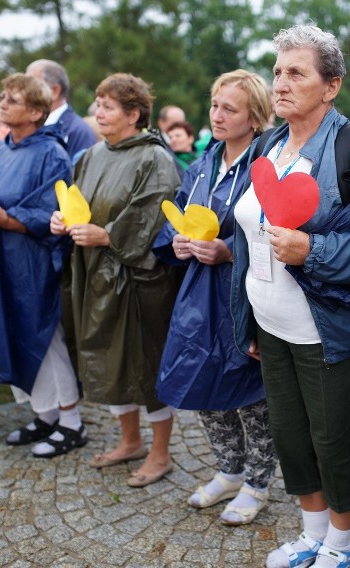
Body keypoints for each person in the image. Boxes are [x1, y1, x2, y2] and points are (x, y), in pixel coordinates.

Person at [231, 25, 350, 568]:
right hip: (271, 322)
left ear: (330, 86)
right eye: (278, 71)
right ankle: (310, 536)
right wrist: (247, 325)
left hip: (327, 326)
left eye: (296, 73)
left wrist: (314, 249)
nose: (280, 83)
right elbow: (246, 239)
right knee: (290, 436)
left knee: (333, 442)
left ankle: (340, 545)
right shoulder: (267, 144)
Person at [153, 70, 277, 524]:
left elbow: (274, 229)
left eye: (231, 108)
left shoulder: (266, 163)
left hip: (243, 292)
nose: (218, 115)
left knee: (250, 391)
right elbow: (178, 210)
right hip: (198, 293)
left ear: (255, 115)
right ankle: (228, 470)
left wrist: (229, 250)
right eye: (215, 105)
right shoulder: (205, 161)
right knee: (203, 380)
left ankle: (258, 482)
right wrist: (178, 241)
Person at [0, 73, 85, 457]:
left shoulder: (51, 153)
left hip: (30, 260)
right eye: (2, 97)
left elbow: (53, 209)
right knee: (9, 329)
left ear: (37, 111)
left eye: (12, 99)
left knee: (43, 336)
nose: (2, 103)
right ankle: (45, 415)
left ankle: (72, 421)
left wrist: (7, 218)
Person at [53, 72, 180, 485]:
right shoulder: (91, 155)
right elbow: (77, 202)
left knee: (144, 363)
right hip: (94, 272)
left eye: (107, 106)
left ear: (134, 113)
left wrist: (108, 234)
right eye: (97, 104)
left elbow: (154, 215)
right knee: (107, 356)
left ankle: (160, 453)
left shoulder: (154, 157)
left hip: (139, 279)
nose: (97, 112)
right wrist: (63, 219)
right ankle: (130, 441)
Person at [26, 59, 97, 158]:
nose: (24, 93)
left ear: (55, 91)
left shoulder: (78, 131)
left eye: (31, 87)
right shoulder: (28, 126)